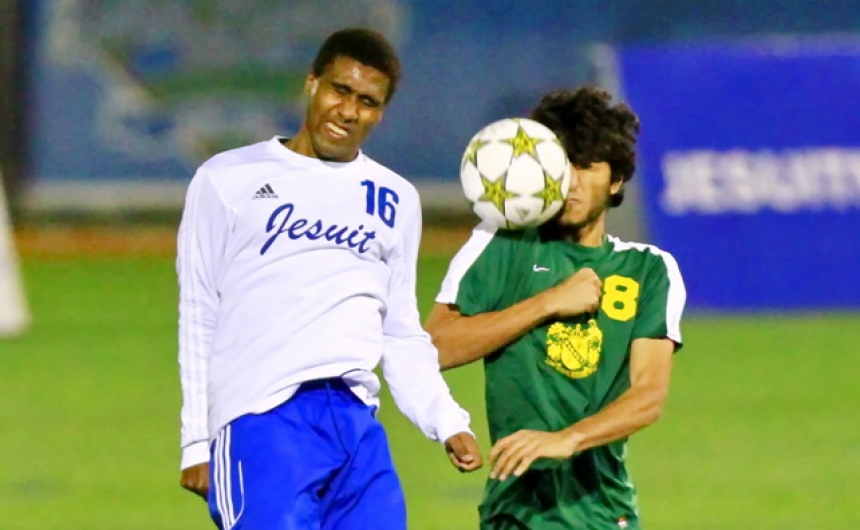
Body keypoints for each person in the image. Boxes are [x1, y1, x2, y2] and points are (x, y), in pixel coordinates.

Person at [177, 27, 482, 530]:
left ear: (380, 112)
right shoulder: (227, 178)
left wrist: (446, 419)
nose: (349, 111)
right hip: (261, 419)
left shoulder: (395, 197)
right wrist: (195, 438)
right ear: (312, 83)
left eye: (368, 101)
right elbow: (199, 313)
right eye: (340, 90)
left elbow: (400, 330)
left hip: (355, 423)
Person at [424, 86, 686, 530]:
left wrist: (568, 439)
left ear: (617, 179)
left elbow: (648, 397)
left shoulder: (649, 270)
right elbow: (431, 349)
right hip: (516, 512)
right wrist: (547, 303)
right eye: (560, 165)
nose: (570, 181)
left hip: (605, 513)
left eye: (587, 166)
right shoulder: (501, 242)